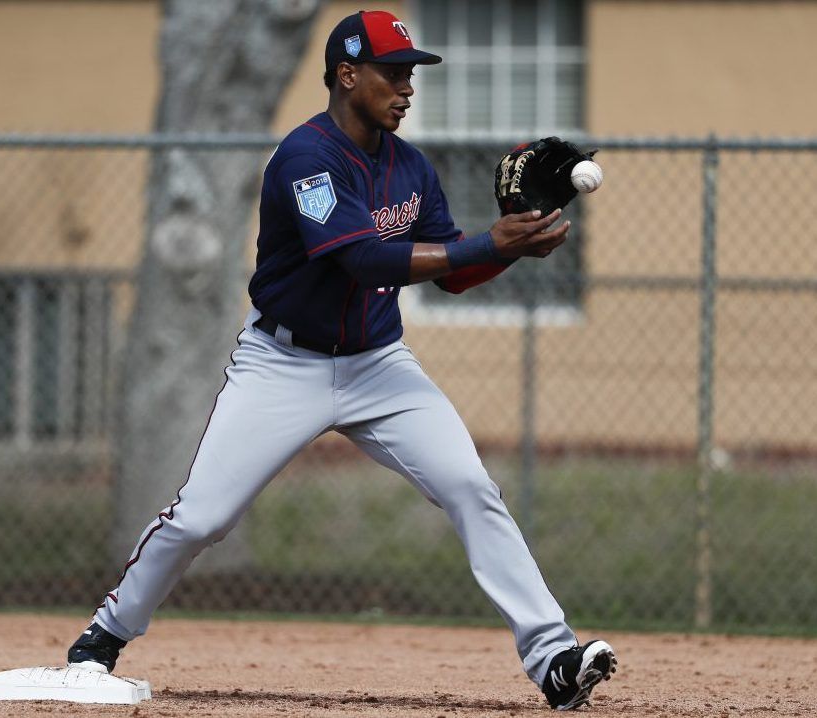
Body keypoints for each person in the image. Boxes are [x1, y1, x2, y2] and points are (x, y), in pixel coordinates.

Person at [67, 9, 617, 711]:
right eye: (393, 70)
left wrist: (509, 249)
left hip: (380, 366)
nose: (407, 85)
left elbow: (448, 273)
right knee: (201, 519)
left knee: (471, 488)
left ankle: (554, 661)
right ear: (347, 75)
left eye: (411, 72)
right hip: (281, 366)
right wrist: (492, 244)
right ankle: (104, 636)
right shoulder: (306, 158)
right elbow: (360, 257)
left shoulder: (412, 166)